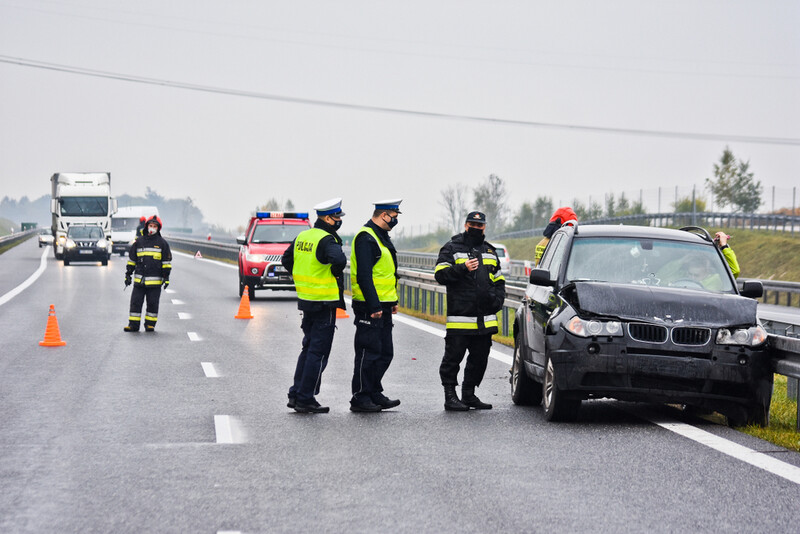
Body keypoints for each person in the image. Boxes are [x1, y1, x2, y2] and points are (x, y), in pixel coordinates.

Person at [434, 211, 506, 411]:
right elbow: (440, 275)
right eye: (472, 224)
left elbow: (499, 281)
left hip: (485, 319)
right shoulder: (451, 248)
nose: (476, 227)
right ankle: (450, 396)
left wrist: (498, 301)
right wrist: (462, 268)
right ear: (466, 225)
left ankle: (469, 394)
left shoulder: (490, 251)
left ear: (484, 227)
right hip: (460, 317)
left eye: (480, 225)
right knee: (453, 358)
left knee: (480, 358)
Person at [281, 198, 347, 414]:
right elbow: (339, 261)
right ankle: (305, 398)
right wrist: (332, 274)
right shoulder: (327, 239)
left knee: (307, 348)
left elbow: (286, 259)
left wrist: (302, 278)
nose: (339, 221)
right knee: (318, 352)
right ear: (328, 218)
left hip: (306, 301)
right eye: (337, 218)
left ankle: (295, 393)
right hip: (324, 302)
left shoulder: (303, 235)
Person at [349, 199, 403, 412]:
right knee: (368, 353)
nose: (396, 219)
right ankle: (360, 397)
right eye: (394, 215)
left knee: (384, 352)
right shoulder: (366, 238)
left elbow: (386, 272)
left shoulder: (381, 236)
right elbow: (364, 275)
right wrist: (374, 305)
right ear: (383, 215)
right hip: (369, 306)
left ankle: (374, 391)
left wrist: (392, 301)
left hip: (384, 304)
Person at [124, 215, 172, 332]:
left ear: (158, 228)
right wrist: (128, 275)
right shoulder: (139, 242)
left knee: (152, 304)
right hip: (140, 281)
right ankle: (133, 325)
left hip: (155, 283)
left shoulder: (162, 243)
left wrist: (166, 278)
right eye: (150, 226)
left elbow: (166, 263)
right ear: (146, 226)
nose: (152, 228)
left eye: (154, 226)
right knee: (135, 303)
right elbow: (132, 260)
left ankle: (150, 324)